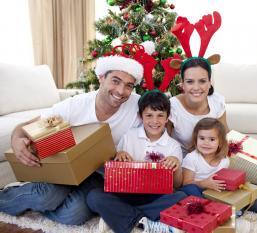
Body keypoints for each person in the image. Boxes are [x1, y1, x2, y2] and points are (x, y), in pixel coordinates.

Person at [0, 44, 147, 225]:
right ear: (101, 78)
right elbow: (28, 127)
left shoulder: (136, 105)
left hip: (99, 175)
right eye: (115, 81)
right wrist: (16, 138)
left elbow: (162, 120)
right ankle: (8, 196)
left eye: (128, 86)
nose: (121, 91)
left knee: (73, 215)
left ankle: (48, 200)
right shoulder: (76, 105)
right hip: (69, 168)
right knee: (46, 197)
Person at [169, 57, 257, 213]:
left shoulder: (216, 101)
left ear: (209, 82)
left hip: (222, 161)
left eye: (202, 81)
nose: (196, 87)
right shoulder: (172, 107)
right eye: (190, 81)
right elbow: (165, 143)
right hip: (196, 170)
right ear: (182, 83)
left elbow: (228, 137)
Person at [86, 91, 186, 233]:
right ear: (141, 116)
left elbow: (177, 184)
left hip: (154, 197)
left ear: (167, 118)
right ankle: (145, 221)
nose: (155, 121)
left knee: (181, 197)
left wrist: (175, 164)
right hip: (126, 194)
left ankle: (124, 218)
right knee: (93, 197)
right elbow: (114, 171)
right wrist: (119, 155)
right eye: (149, 115)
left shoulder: (173, 145)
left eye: (160, 116)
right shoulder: (129, 136)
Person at [180, 117, 229, 196]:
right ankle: (204, 205)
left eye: (212, 139)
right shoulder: (192, 158)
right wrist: (203, 183)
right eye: (202, 138)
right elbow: (186, 183)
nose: (206, 143)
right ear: (196, 140)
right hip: (196, 189)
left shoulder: (224, 160)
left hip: (213, 191)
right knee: (189, 189)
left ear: (220, 142)